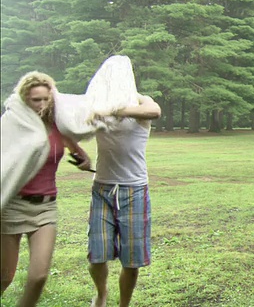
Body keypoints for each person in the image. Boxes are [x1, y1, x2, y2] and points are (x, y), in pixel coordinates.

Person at [1, 71, 92, 307]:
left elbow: (78, 151)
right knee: (4, 277)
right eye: (35, 100)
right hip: (13, 206)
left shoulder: (57, 125)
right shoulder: (12, 124)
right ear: (24, 99)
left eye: (45, 99)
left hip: (45, 208)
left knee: (39, 276)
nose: (42, 104)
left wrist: (82, 159)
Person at [87, 93, 160, 307]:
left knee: (132, 259)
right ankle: (101, 293)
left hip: (134, 190)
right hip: (102, 188)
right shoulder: (97, 103)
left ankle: (124, 305)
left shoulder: (141, 101)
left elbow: (154, 111)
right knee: (96, 255)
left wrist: (112, 110)